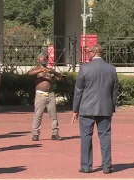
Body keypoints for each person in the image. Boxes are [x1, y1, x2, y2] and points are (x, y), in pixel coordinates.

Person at [72, 44, 118, 174]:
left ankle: (86, 166)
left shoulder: (85, 68)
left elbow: (78, 90)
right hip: (105, 108)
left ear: (94, 53)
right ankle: (107, 166)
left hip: (86, 108)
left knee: (86, 137)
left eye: (88, 52)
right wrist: (112, 107)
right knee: (105, 136)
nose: (87, 55)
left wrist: (76, 108)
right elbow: (115, 91)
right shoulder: (111, 69)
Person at [27, 54, 64, 141]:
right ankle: (36, 134)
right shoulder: (36, 69)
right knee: (38, 115)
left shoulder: (50, 70)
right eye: (41, 58)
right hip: (40, 95)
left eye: (45, 58)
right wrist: (41, 70)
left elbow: (60, 78)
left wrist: (53, 72)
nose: (43, 59)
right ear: (38, 60)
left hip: (50, 94)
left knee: (54, 115)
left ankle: (55, 133)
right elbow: (29, 73)